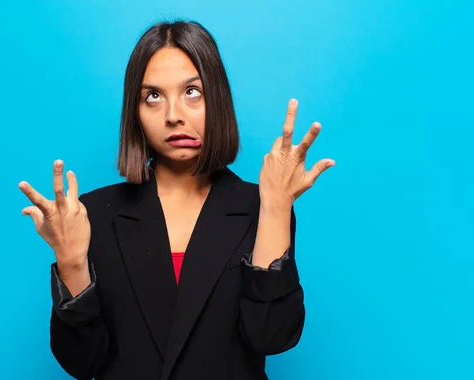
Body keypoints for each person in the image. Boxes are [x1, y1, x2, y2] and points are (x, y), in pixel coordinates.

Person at [18, 20, 334, 380]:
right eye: (153, 96)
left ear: (217, 98)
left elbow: (272, 336)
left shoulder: (261, 208)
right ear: (134, 113)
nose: (173, 115)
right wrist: (72, 263)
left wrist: (277, 206)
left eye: (192, 92)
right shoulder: (94, 215)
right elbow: (82, 362)